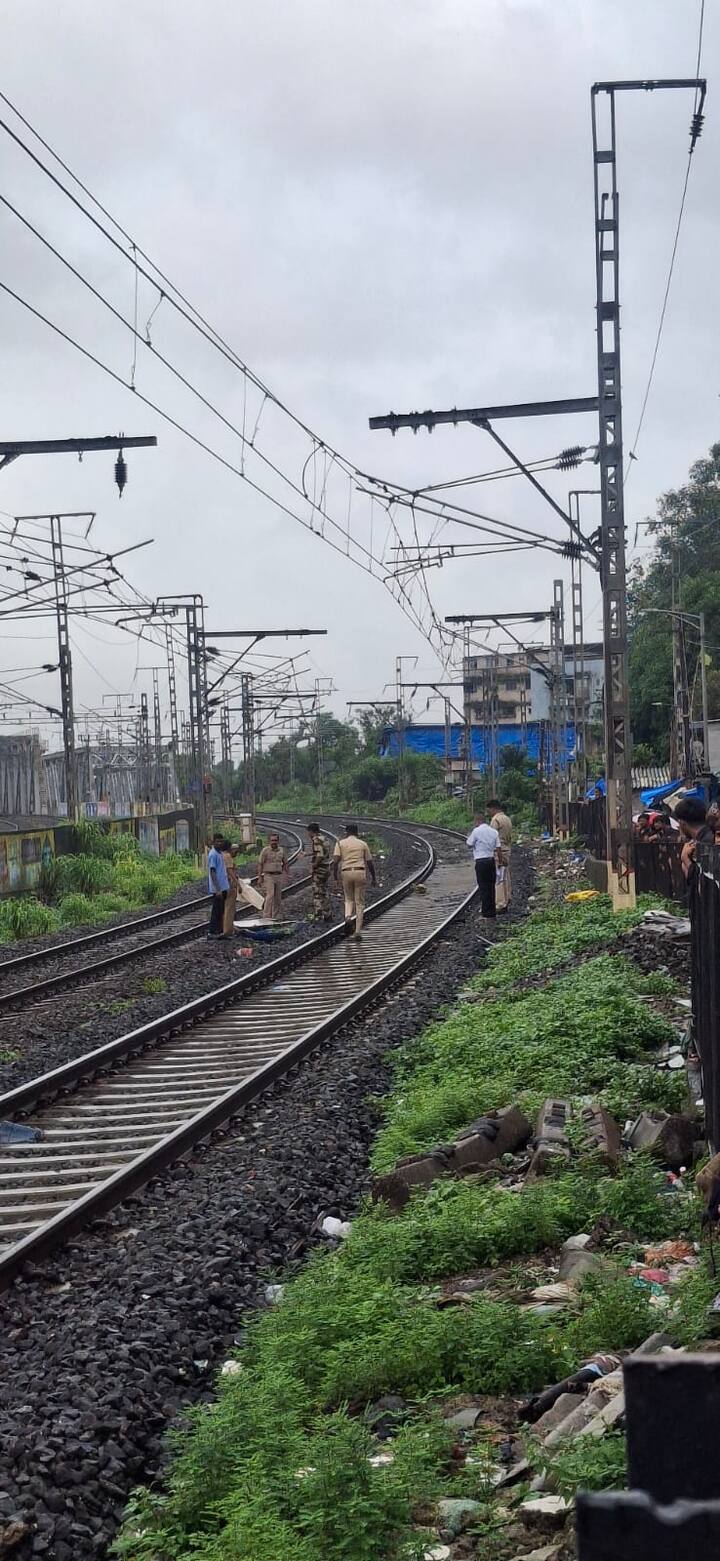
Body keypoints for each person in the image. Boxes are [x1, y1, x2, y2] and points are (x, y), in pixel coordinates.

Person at [332, 823, 376, 939]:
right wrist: (374, 878)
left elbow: (335, 862)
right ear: (357, 832)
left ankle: (347, 917)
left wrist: (335, 878)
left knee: (348, 899)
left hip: (346, 872)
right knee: (359, 903)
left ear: (346, 832)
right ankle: (357, 932)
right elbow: (370, 862)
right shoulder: (363, 844)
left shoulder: (340, 843)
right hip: (360, 872)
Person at [466, 810, 502, 918]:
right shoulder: (494, 832)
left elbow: (469, 844)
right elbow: (499, 848)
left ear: (478, 820)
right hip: (491, 861)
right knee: (491, 886)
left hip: (480, 862)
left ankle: (486, 913)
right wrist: (500, 862)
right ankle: (492, 911)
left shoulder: (476, 831)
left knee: (483, 887)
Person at [675, 796, 715, 881]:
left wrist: (685, 860)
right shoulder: (708, 837)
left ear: (682, 823)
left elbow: (706, 882)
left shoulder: (706, 842)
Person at [488, 797, 512, 912]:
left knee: (498, 877)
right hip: (507, 849)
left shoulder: (495, 820)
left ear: (493, 808)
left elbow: (492, 837)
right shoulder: (507, 818)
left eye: (489, 810)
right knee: (505, 875)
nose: (489, 813)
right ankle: (507, 899)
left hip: (499, 851)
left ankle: (500, 903)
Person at [258, 831, 290, 919]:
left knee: (278, 897)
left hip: (278, 875)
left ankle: (276, 916)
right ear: (269, 841)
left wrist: (287, 874)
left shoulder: (282, 850)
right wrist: (260, 877)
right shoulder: (265, 850)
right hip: (268, 876)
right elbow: (260, 864)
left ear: (278, 841)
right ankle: (266, 916)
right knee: (270, 895)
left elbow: (286, 863)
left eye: (275, 840)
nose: (274, 842)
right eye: (272, 840)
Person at [307, 822, 332, 922]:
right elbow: (321, 852)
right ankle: (328, 914)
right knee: (325, 892)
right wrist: (307, 854)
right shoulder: (324, 838)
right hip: (326, 868)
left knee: (317, 892)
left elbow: (319, 855)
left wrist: (313, 866)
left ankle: (318, 915)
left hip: (319, 869)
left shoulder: (316, 839)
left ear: (311, 831)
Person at [207, 830, 229, 939]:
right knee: (216, 911)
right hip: (218, 888)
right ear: (213, 842)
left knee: (221, 910)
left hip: (223, 886)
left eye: (221, 841)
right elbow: (212, 872)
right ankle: (212, 932)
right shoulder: (213, 854)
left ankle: (219, 931)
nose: (220, 843)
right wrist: (218, 889)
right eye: (217, 842)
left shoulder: (219, 853)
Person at [222, 840, 241, 937]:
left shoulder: (221, 855)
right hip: (229, 884)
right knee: (229, 908)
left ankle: (227, 928)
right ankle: (228, 931)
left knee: (225, 908)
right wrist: (238, 884)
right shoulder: (227, 856)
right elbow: (230, 871)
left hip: (223, 884)